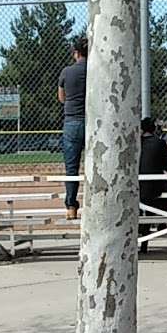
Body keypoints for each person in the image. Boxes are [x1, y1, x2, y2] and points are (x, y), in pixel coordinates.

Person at [58, 36, 88, 219]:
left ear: (76, 53)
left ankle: (71, 206)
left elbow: (61, 98)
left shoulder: (66, 72)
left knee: (71, 168)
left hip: (72, 121)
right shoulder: (94, 70)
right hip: (92, 122)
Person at [139, 117, 167, 254]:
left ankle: (155, 222)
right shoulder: (159, 143)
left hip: (137, 186)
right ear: (154, 129)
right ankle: (161, 219)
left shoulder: (136, 143)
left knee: (144, 206)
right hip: (154, 187)